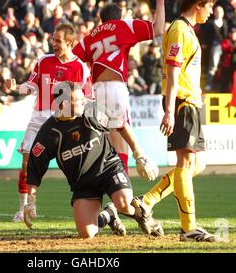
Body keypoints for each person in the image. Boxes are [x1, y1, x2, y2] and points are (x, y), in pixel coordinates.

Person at [23, 82, 163, 238]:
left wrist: (139, 154)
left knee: (124, 204)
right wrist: (30, 201)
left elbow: (121, 124)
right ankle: (109, 215)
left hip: (109, 168)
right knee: (87, 234)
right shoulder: (49, 132)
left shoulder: (92, 111)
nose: (85, 101)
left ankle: (146, 218)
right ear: (65, 103)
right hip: (83, 183)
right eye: (80, 99)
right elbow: (35, 167)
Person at [142, 0, 221, 242]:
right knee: (186, 164)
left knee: (197, 163)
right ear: (198, 4)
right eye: (209, 7)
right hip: (183, 103)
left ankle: (146, 201)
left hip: (191, 103)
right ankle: (189, 228)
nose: (211, 12)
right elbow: (173, 72)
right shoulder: (179, 30)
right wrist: (170, 110)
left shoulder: (186, 30)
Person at [72, 0, 165, 179]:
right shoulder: (124, 26)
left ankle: (112, 190)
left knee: (111, 141)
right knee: (122, 141)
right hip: (116, 86)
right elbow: (158, 29)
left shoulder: (91, 36)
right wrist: (160, 0)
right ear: (118, 17)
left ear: (101, 19)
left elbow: (72, 59)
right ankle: (134, 166)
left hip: (97, 90)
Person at [4, 22, 93, 222]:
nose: (54, 43)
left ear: (70, 43)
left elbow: (87, 97)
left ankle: (85, 207)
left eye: (58, 41)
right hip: (40, 116)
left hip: (67, 121)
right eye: (53, 39)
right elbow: (31, 85)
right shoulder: (43, 60)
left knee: (79, 166)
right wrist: (15, 87)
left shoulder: (79, 67)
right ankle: (25, 208)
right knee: (27, 163)